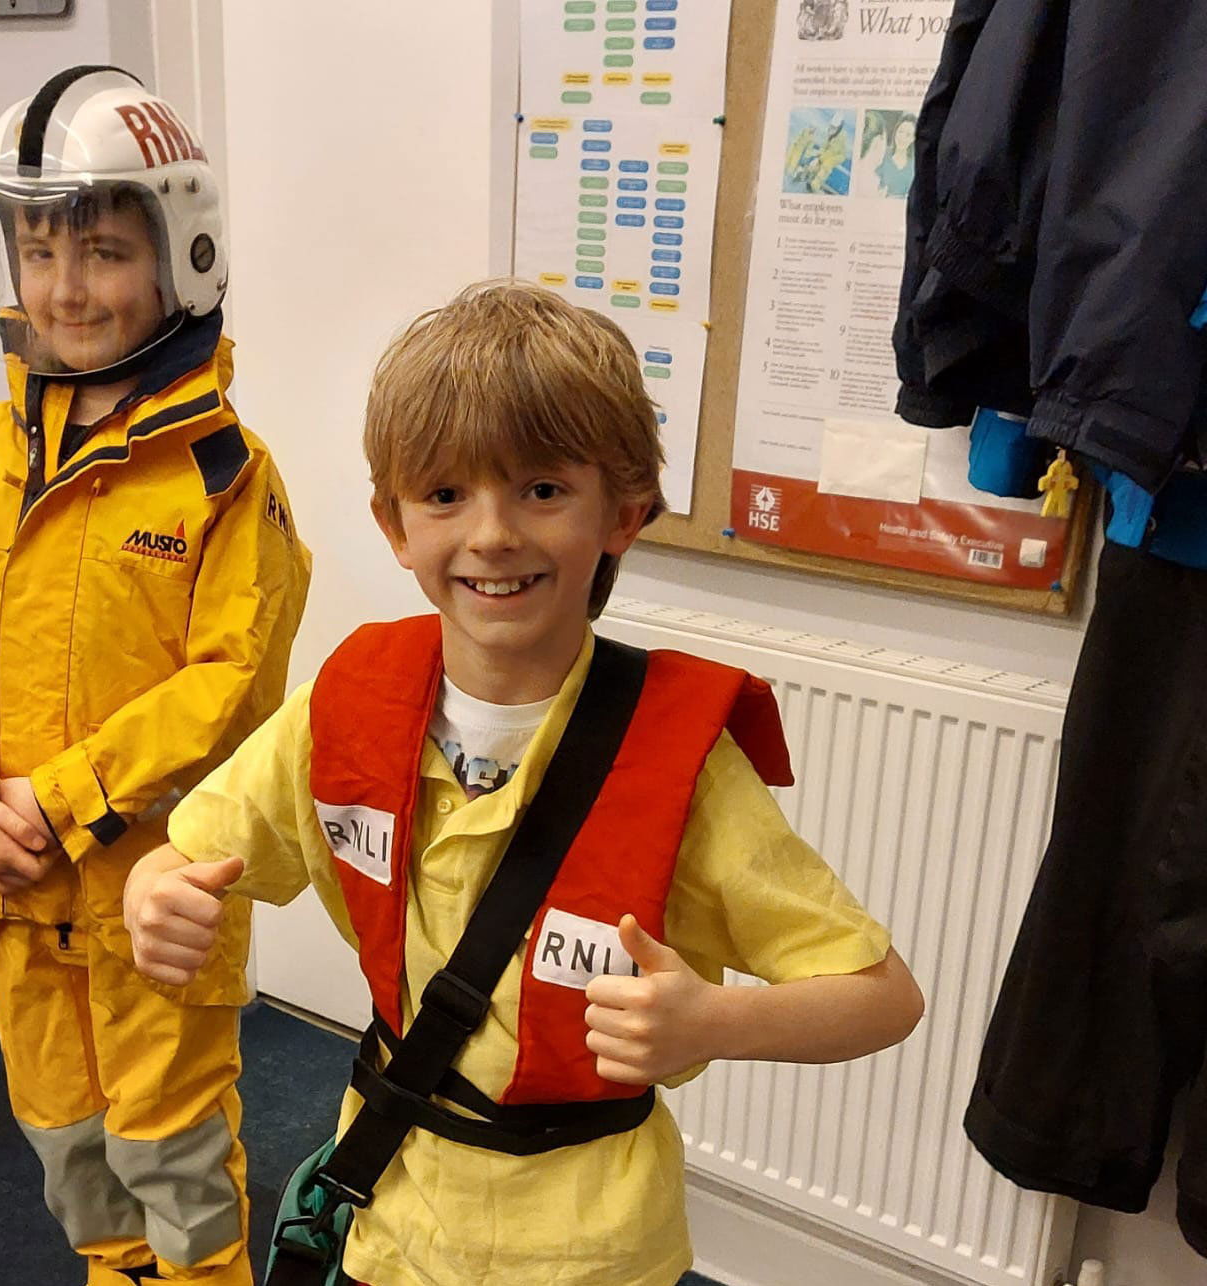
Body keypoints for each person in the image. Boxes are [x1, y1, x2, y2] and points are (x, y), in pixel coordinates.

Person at [123, 282, 924, 1286]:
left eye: (542, 490)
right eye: (445, 494)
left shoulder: (680, 762)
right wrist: (153, 892)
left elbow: (883, 998)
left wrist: (715, 1022)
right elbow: (185, 855)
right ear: (393, 523)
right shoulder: (350, 701)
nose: (493, 533)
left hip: (586, 1247)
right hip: (393, 1212)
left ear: (623, 512)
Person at [0, 66, 311, 1286]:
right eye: (39, 250)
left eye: (104, 251)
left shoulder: (224, 473)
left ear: (181, 254)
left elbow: (232, 681)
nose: (65, 287)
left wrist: (56, 798)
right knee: (69, 1143)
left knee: (174, 1155)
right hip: (16, 895)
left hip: (155, 893)